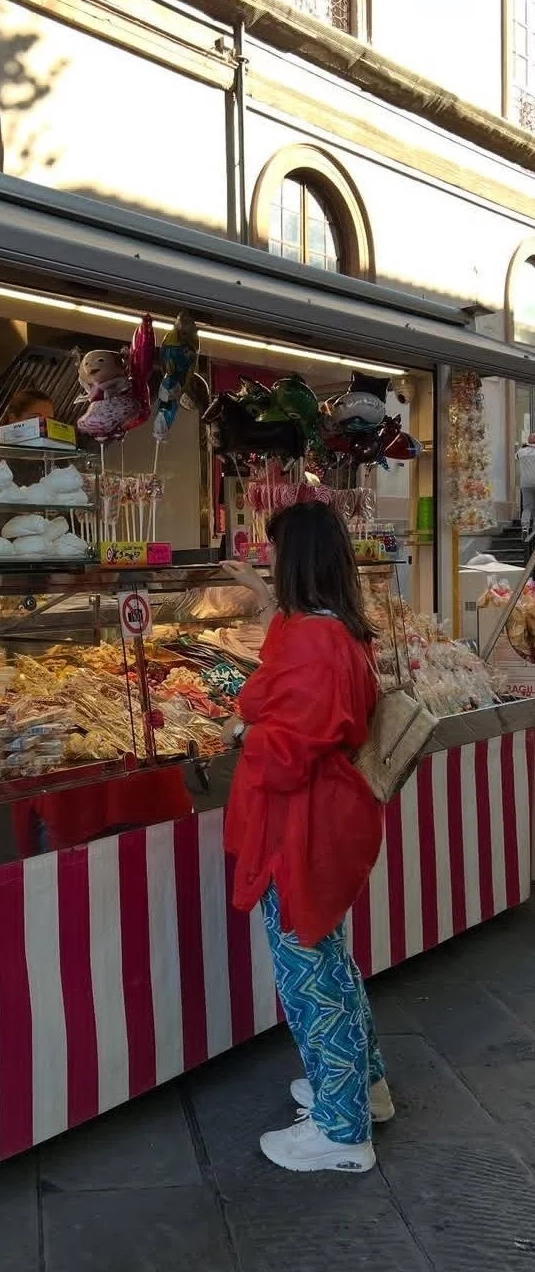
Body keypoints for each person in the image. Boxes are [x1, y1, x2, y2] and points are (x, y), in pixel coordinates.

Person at [220, 502, 391, 1175]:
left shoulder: (318, 642)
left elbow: (288, 749)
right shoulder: (333, 627)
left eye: (271, 554)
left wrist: (243, 733)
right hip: (324, 823)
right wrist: (265, 599)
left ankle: (341, 1129)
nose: (265, 562)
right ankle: (361, 1086)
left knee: (307, 975)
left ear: (292, 560)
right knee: (329, 962)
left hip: (301, 828)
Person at [517, 433, 535, 538]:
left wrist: (524, 446)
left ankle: (525, 528)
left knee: (527, 507)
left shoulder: (521, 452)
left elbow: (516, 456)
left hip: (526, 483)